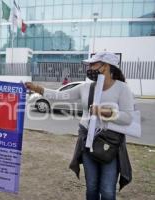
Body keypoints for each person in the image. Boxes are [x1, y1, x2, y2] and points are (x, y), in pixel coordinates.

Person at [25, 52, 133, 200]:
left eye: (93, 64)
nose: (89, 67)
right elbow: (60, 96)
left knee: (107, 191)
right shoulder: (85, 87)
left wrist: (105, 112)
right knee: (91, 188)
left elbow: (127, 118)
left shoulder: (122, 89)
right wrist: (36, 88)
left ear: (106, 66)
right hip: (87, 144)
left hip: (111, 146)